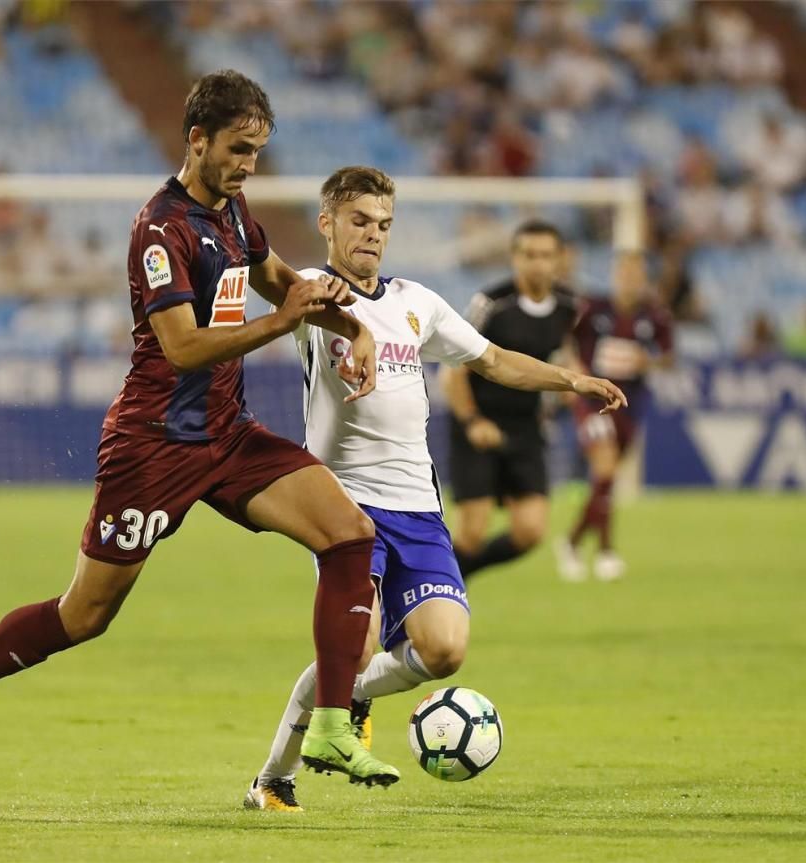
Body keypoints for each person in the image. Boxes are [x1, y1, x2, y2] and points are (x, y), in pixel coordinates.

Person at [0, 70, 403, 788]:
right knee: (85, 614)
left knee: (349, 532)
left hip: (227, 435)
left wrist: (349, 325)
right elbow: (184, 347)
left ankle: (328, 727)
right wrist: (283, 322)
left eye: (257, 151)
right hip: (155, 446)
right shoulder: (159, 230)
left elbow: (278, 277)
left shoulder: (232, 209)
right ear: (196, 140)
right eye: (237, 149)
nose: (248, 164)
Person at [245, 168, 626, 811]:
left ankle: (356, 693)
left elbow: (494, 361)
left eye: (383, 224)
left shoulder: (416, 302)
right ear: (327, 223)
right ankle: (274, 777)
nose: (373, 235)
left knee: (445, 650)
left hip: (418, 507)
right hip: (344, 506)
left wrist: (572, 381)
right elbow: (266, 273)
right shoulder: (313, 298)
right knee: (354, 649)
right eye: (360, 221)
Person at [441, 220, 579, 580]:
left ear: (559, 260)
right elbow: (453, 371)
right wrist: (471, 421)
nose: (537, 263)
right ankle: (439, 588)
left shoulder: (570, 310)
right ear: (514, 258)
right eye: (529, 255)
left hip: (525, 429)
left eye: (546, 255)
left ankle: (452, 578)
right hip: (479, 422)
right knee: (470, 533)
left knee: (531, 531)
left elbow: (570, 360)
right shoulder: (491, 304)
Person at [556, 252, 673, 581]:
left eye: (636, 274)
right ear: (616, 275)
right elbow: (567, 339)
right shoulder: (594, 308)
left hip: (630, 403)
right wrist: (572, 372)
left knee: (605, 480)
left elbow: (669, 356)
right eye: (624, 273)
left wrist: (646, 362)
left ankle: (572, 542)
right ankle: (606, 551)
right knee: (605, 467)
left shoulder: (654, 315)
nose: (630, 280)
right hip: (593, 399)